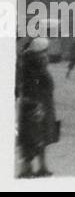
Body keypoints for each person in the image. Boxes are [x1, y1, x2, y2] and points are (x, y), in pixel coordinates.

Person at [17, 37, 57, 177]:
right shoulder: (35, 64)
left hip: (36, 103)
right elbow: (46, 83)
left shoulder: (32, 62)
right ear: (41, 51)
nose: (47, 53)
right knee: (33, 137)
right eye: (46, 50)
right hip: (37, 104)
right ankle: (27, 169)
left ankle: (40, 167)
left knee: (39, 136)